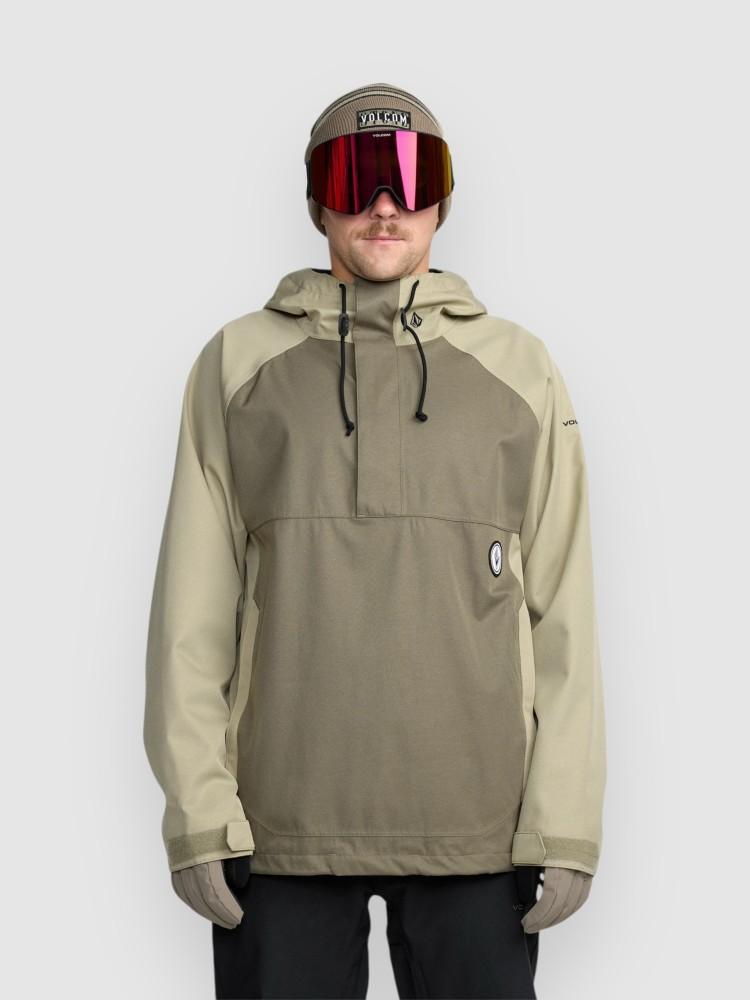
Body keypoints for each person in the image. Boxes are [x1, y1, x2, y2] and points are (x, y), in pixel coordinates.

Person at [143, 82, 607, 999]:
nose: (385, 204)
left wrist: (565, 819)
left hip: (480, 826)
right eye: (356, 177)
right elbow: (189, 615)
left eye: (409, 176)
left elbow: (564, 612)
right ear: (317, 200)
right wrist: (200, 813)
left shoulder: (520, 369)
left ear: (443, 200)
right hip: (278, 827)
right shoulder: (239, 363)